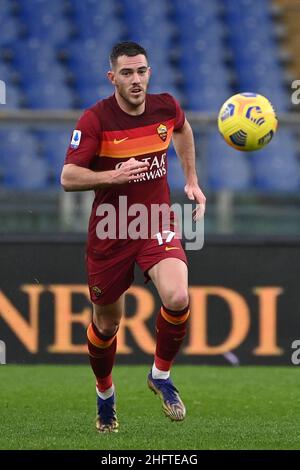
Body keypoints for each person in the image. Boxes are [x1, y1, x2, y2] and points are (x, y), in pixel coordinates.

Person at [61, 41, 206, 433]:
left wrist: (191, 180)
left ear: (149, 72)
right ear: (113, 78)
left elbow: (182, 128)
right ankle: (105, 396)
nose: (136, 79)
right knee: (107, 326)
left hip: (154, 220)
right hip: (110, 230)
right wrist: (113, 174)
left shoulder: (165, 106)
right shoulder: (95, 120)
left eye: (141, 70)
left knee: (177, 296)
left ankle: (160, 375)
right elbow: (68, 177)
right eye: (127, 73)